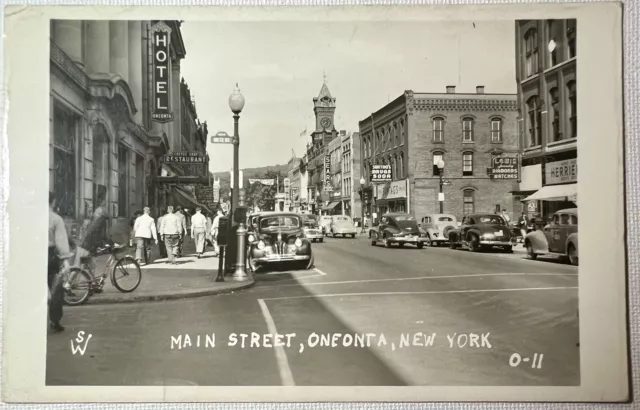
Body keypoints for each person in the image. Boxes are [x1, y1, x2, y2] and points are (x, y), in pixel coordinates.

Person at [48, 192, 73, 332]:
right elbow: (61, 242)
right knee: (56, 289)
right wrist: (65, 261)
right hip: (50, 256)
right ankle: (55, 320)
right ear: (53, 202)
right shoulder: (56, 219)